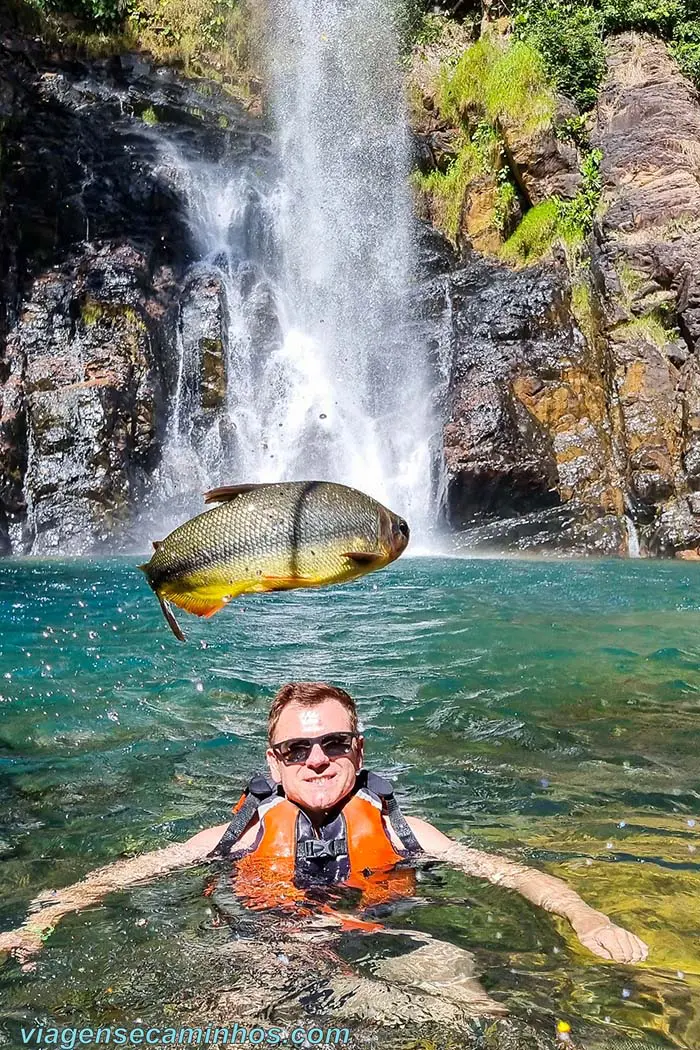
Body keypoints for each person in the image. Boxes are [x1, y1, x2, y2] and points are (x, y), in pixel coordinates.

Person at [0, 682, 648, 971]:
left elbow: (512, 875)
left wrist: (587, 917)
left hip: (387, 952)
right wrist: (42, 919)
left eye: (334, 744)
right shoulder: (242, 835)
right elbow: (128, 873)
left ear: (358, 752)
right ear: (272, 762)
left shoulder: (404, 832)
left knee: (472, 1004)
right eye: (296, 750)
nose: (316, 759)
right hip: (262, 953)